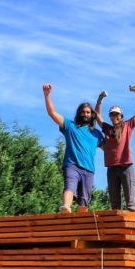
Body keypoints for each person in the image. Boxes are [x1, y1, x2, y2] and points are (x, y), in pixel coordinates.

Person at [43, 83, 104, 213]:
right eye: (83, 111)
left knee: (84, 199)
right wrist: (47, 95)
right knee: (70, 186)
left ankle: (81, 223)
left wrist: (126, 151)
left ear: (92, 115)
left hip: (89, 170)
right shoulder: (70, 126)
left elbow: (110, 150)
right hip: (72, 165)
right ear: (79, 113)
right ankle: (66, 207)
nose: (85, 114)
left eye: (88, 112)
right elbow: (52, 113)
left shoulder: (97, 134)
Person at [95, 85, 135, 212]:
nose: (114, 117)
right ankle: (116, 229)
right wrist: (100, 99)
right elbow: (96, 114)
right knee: (115, 204)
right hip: (112, 168)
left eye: (117, 114)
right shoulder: (107, 129)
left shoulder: (128, 125)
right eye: (112, 115)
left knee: (130, 203)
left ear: (121, 115)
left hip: (126, 167)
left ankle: (133, 230)